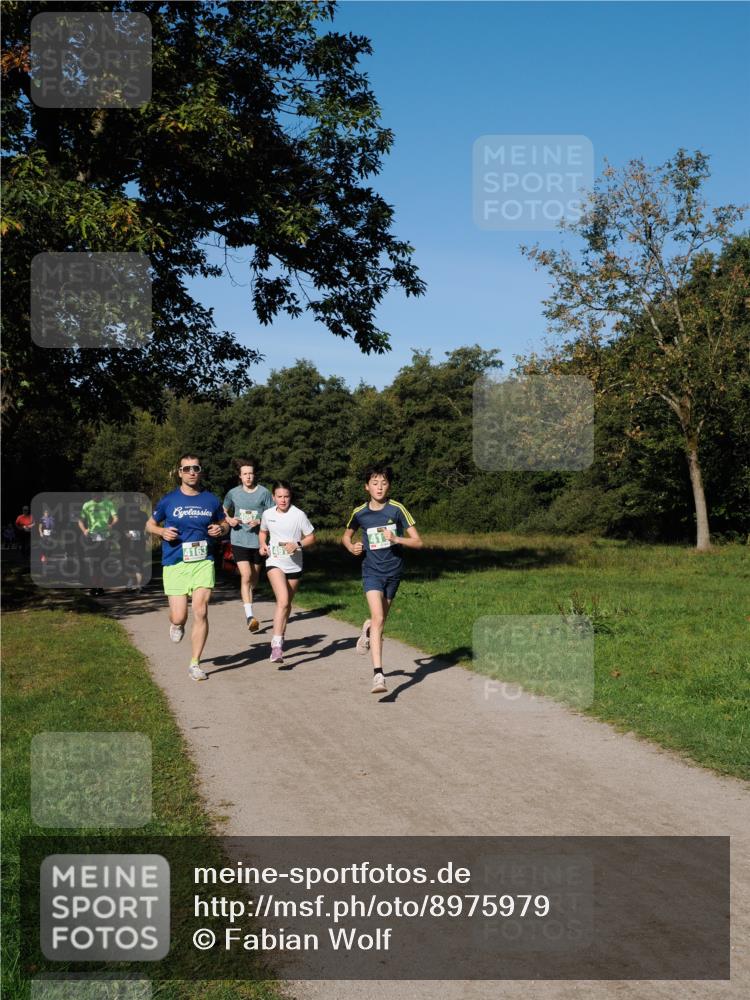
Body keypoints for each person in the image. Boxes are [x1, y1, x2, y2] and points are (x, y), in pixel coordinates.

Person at [146, 455, 228, 681]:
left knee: (200, 610)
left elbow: (224, 523)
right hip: (175, 562)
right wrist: (162, 532)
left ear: (200, 472)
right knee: (180, 615)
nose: (192, 472)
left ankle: (195, 663)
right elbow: (150, 524)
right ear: (179, 473)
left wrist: (220, 530)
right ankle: (176, 623)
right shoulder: (168, 500)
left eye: (196, 468)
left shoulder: (211, 500)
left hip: (204, 560)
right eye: (187, 469)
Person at [342, 463, 422, 694]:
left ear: (389, 485)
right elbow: (346, 537)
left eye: (384, 482)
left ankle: (367, 628)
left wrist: (397, 539)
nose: (380, 487)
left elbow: (418, 541)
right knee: (378, 619)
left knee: (378, 621)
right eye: (375, 483)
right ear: (367, 487)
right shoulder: (360, 513)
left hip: (394, 572)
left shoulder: (397, 509)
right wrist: (351, 547)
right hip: (371, 572)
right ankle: (378, 675)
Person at [258, 482, 315, 665]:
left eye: (286, 496)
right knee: (282, 601)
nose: (283, 500)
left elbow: (311, 537)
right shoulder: (267, 514)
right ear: (273, 497)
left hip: (294, 565)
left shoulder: (298, 515)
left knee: (287, 604)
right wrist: (263, 545)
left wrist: (297, 545)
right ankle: (276, 646)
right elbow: (262, 531)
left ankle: (280, 636)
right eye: (279, 496)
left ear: (290, 497)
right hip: (274, 562)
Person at [223, 457, 274, 632]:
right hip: (239, 540)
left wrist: (260, 520)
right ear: (240, 476)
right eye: (245, 474)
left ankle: (248, 598)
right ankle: (249, 616)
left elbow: (273, 513)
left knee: (254, 579)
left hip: (258, 542)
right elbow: (223, 509)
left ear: (254, 475)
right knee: (246, 576)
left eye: (251, 474)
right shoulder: (233, 493)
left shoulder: (264, 493)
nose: (248, 477)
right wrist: (229, 519)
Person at [78, 494, 118, 594]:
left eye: (97, 494)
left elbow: (116, 517)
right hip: (92, 537)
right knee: (93, 563)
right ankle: (93, 587)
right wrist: (84, 530)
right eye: (93, 495)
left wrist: (111, 525)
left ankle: (100, 587)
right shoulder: (87, 505)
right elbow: (80, 520)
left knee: (103, 563)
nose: (95, 496)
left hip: (105, 536)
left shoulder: (108, 504)